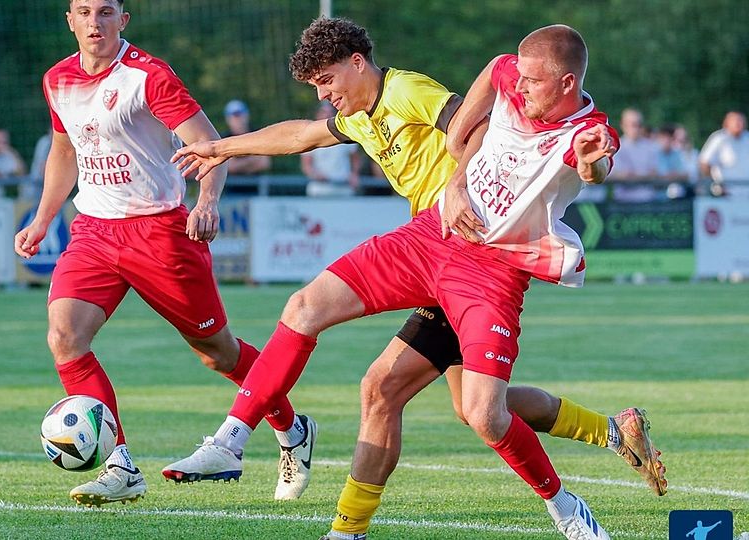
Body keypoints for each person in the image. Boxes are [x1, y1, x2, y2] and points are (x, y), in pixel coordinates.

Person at [165, 20, 664, 540]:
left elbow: (564, 157)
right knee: (311, 315)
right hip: (430, 237)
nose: (323, 94)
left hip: (485, 267)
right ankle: (235, 446)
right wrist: (222, 149)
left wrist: (583, 168)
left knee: (470, 411)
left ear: (357, 62)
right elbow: (302, 135)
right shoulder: (390, 105)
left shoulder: (413, 92)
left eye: (326, 80)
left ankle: (568, 505)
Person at [13, 0, 314, 507]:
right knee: (65, 336)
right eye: (84, 11)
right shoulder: (56, 79)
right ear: (69, 19)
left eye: (106, 11)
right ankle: (120, 465)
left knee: (216, 353)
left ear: (122, 21)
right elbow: (65, 150)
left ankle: (292, 428)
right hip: (93, 231)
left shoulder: (149, 77)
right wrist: (43, 218)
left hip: (160, 232)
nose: (94, 22)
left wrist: (208, 201)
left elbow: (210, 146)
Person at [301, 101, 361, 196]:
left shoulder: (346, 134)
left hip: (343, 186)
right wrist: (315, 175)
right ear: (318, 115)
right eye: (324, 112)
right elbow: (306, 165)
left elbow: (355, 158)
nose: (327, 115)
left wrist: (354, 174)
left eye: (330, 113)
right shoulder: (310, 137)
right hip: (320, 188)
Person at [609, 108, 659, 202]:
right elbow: (617, 175)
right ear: (623, 125)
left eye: (639, 125)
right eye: (633, 125)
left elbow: (654, 173)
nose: (636, 128)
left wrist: (632, 176)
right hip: (624, 201)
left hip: (647, 199)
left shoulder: (651, 147)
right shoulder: (615, 146)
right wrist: (643, 176)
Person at [699, 111, 749, 196]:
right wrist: (715, 184)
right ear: (727, 123)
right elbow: (704, 162)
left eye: (741, 120)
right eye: (735, 121)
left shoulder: (747, 138)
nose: (739, 123)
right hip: (725, 194)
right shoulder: (719, 138)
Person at [222, 99, 271, 176]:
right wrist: (253, 159)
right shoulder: (223, 138)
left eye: (239, 115)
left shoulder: (257, 134)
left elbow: (264, 163)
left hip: (256, 186)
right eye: (234, 116)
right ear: (228, 119)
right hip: (232, 187)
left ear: (246, 115)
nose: (237, 119)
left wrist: (237, 164)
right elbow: (229, 166)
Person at [22, 130, 53, 201]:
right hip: (37, 187)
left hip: (45, 186)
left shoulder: (47, 142)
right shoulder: (46, 142)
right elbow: (42, 169)